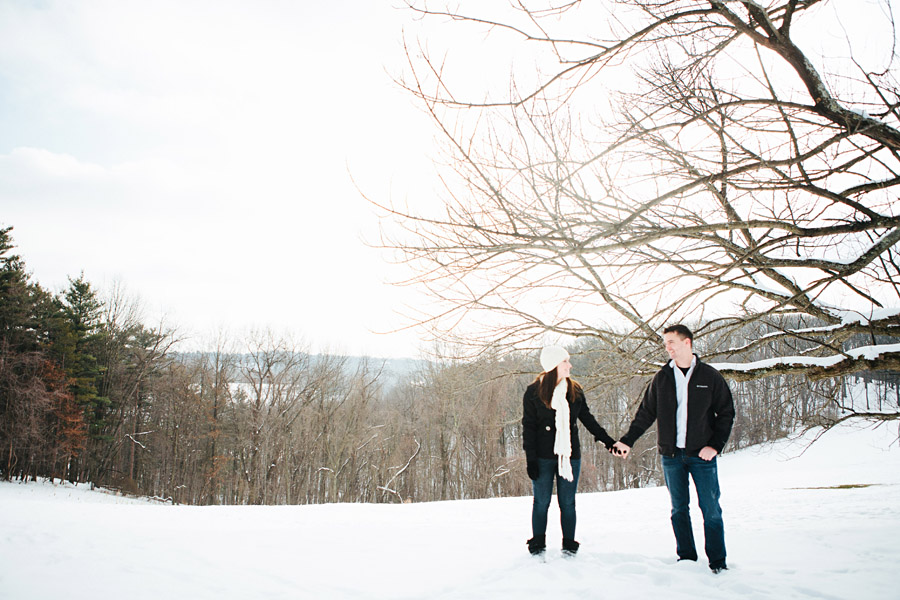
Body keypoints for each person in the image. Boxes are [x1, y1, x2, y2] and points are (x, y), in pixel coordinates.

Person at [612, 324, 735, 574]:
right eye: (665, 343)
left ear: (687, 343)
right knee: (679, 509)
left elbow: (726, 413)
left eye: (671, 342)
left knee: (711, 510)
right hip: (671, 455)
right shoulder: (662, 378)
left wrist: (715, 445)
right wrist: (627, 440)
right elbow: (646, 413)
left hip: (702, 456)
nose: (667, 347)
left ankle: (718, 564)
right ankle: (687, 560)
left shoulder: (709, 376)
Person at [522, 345, 616, 557]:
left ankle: (569, 544)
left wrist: (609, 442)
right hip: (542, 457)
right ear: (554, 365)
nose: (569, 365)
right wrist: (531, 460)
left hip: (569, 456)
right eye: (565, 361)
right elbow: (528, 427)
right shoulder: (533, 392)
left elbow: (588, 420)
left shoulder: (574, 390)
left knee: (567, 502)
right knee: (541, 501)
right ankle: (538, 544)